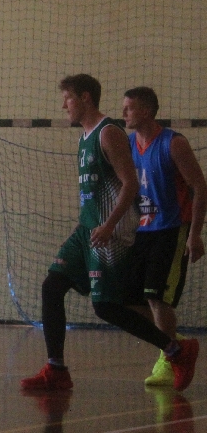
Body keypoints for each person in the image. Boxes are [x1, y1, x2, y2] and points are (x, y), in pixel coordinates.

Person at [20, 75, 198, 392]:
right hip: (87, 229)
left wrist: (110, 224)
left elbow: (130, 184)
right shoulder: (84, 137)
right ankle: (56, 368)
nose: (63, 105)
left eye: (68, 98)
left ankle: (175, 350)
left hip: (110, 233)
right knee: (52, 286)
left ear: (85, 98)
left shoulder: (109, 133)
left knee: (107, 307)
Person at [120, 86, 206, 388]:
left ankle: (168, 360)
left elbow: (199, 187)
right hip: (141, 230)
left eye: (129, 107)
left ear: (146, 111)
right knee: (125, 302)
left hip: (171, 228)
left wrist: (195, 234)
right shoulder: (128, 144)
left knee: (157, 297)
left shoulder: (173, 143)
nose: (124, 113)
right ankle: (176, 342)